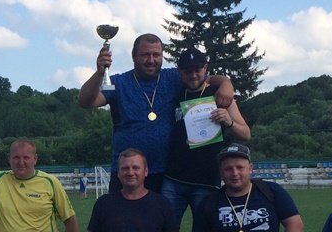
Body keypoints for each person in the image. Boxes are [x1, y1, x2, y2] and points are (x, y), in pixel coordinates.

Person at [77, 33, 234, 193]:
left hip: (164, 173)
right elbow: (86, 102)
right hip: (127, 171)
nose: (151, 60)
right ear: (134, 56)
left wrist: (226, 85)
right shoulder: (118, 82)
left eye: (156, 55)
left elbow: (204, 79)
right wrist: (99, 73)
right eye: (145, 55)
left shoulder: (173, 77)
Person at [161, 48, 251, 227]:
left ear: (205, 68)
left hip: (206, 181)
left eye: (197, 70)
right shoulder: (175, 93)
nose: (193, 75)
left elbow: (246, 134)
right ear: (179, 71)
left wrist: (229, 122)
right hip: (173, 179)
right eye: (188, 71)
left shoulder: (219, 94)